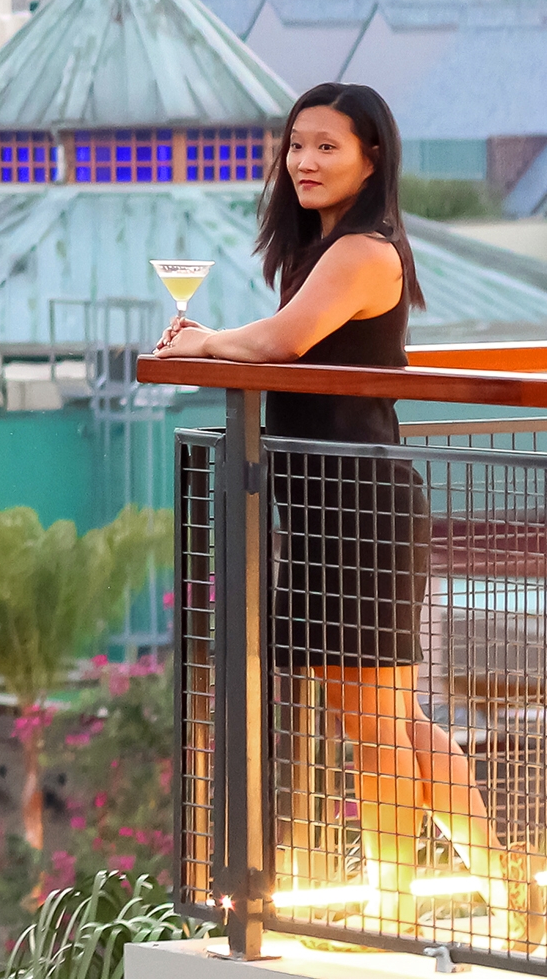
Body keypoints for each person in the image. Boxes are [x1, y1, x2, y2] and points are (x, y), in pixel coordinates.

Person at [154, 81, 509, 929]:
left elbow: (282, 343)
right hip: (323, 503)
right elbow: (282, 339)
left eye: (328, 147)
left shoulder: (364, 250)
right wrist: (212, 341)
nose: (305, 162)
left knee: (377, 720)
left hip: (361, 506)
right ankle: (507, 889)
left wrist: (205, 340)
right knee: (384, 715)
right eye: (296, 145)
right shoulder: (320, 248)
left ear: (371, 156)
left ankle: (398, 903)